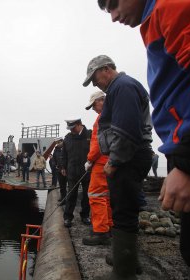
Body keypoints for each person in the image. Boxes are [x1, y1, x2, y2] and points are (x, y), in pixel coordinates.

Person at [96, 1, 190, 278]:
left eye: (113, 4)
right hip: (189, 142)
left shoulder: (171, 5)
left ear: (106, 70)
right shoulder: (156, 18)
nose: (114, 16)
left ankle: (124, 268)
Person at [83, 55, 153, 278]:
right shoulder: (120, 88)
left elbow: (126, 130)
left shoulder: (122, 87)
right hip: (131, 157)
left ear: (105, 69)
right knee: (126, 209)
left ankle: (124, 272)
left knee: (123, 212)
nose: (95, 84)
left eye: (94, 79)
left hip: (128, 158)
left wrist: (113, 161)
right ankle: (128, 260)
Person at [82, 91, 113, 246]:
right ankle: (108, 226)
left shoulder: (102, 118)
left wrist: (89, 160)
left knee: (96, 195)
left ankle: (100, 231)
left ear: (102, 100)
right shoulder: (115, 113)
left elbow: (97, 143)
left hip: (100, 162)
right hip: (111, 161)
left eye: (94, 105)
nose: (93, 109)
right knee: (106, 196)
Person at [61, 118, 91, 228]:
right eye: (70, 129)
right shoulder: (68, 138)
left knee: (87, 195)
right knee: (71, 194)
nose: (71, 131)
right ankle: (68, 217)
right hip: (72, 171)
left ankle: (85, 215)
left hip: (87, 171)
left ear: (79, 125)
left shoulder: (90, 135)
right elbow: (64, 154)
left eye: (73, 128)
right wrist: (63, 167)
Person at [53, 137, 68, 204]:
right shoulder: (56, 149)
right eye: (56, 143)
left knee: (70, 185)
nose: (57, 144)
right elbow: (54, 158)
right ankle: (63, 198)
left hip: (67, 170)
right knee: (62, 185)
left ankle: (69, 199)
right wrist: (55, 164)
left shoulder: (67, 147)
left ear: (62, 141)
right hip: (59, 170)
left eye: (58, 142)